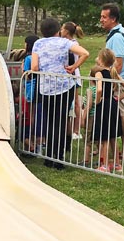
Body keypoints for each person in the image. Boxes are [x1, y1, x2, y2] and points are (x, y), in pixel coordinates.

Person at [31, 18, 89, 169]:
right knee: (61, 121)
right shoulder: (65, 43)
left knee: (50, 122)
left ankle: (49, 157)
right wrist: (73, 67)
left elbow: (35, 66)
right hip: (63, 86)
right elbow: (85, 53)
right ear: (58, 30)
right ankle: (58, 158)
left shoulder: (38, 44)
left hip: (45, 87)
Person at [100, 3, 124, 161]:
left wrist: (111, 82)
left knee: (121, 116)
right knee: (117, 116)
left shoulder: (118, 37)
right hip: (117, 81)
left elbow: (118, 64)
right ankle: (112, 149)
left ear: (113, 19)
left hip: (118, 82)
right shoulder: (118, 32)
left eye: (104, 17)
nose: (101, 20)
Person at [91, 48, 124, 173]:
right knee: (112, 136)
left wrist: (97, 101)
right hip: (112, 103)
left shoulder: (99, 73)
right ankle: (117, 164)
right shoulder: (113, 72)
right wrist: (117, 98)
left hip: (104, 104)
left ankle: (105, 165)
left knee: (105, 136)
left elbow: (99, 89)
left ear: (100, 60)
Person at [60, 21, 84, 141]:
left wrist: (74, 67)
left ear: (67, 32)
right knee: (71, 104)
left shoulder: (72, 44)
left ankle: (76, 130)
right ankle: (69, 128)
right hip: (69, 75)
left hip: (73, 75)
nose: (60, 30)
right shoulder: (67, 43)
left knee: (76, 104)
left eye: (62, 28)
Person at [22, 35, 43, 154]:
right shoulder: (39, 57)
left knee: (31, 116)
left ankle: (31, 141)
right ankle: (39, 143)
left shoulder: (28, 59)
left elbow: (27, 74)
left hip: (31, 89)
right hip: (39, 88)